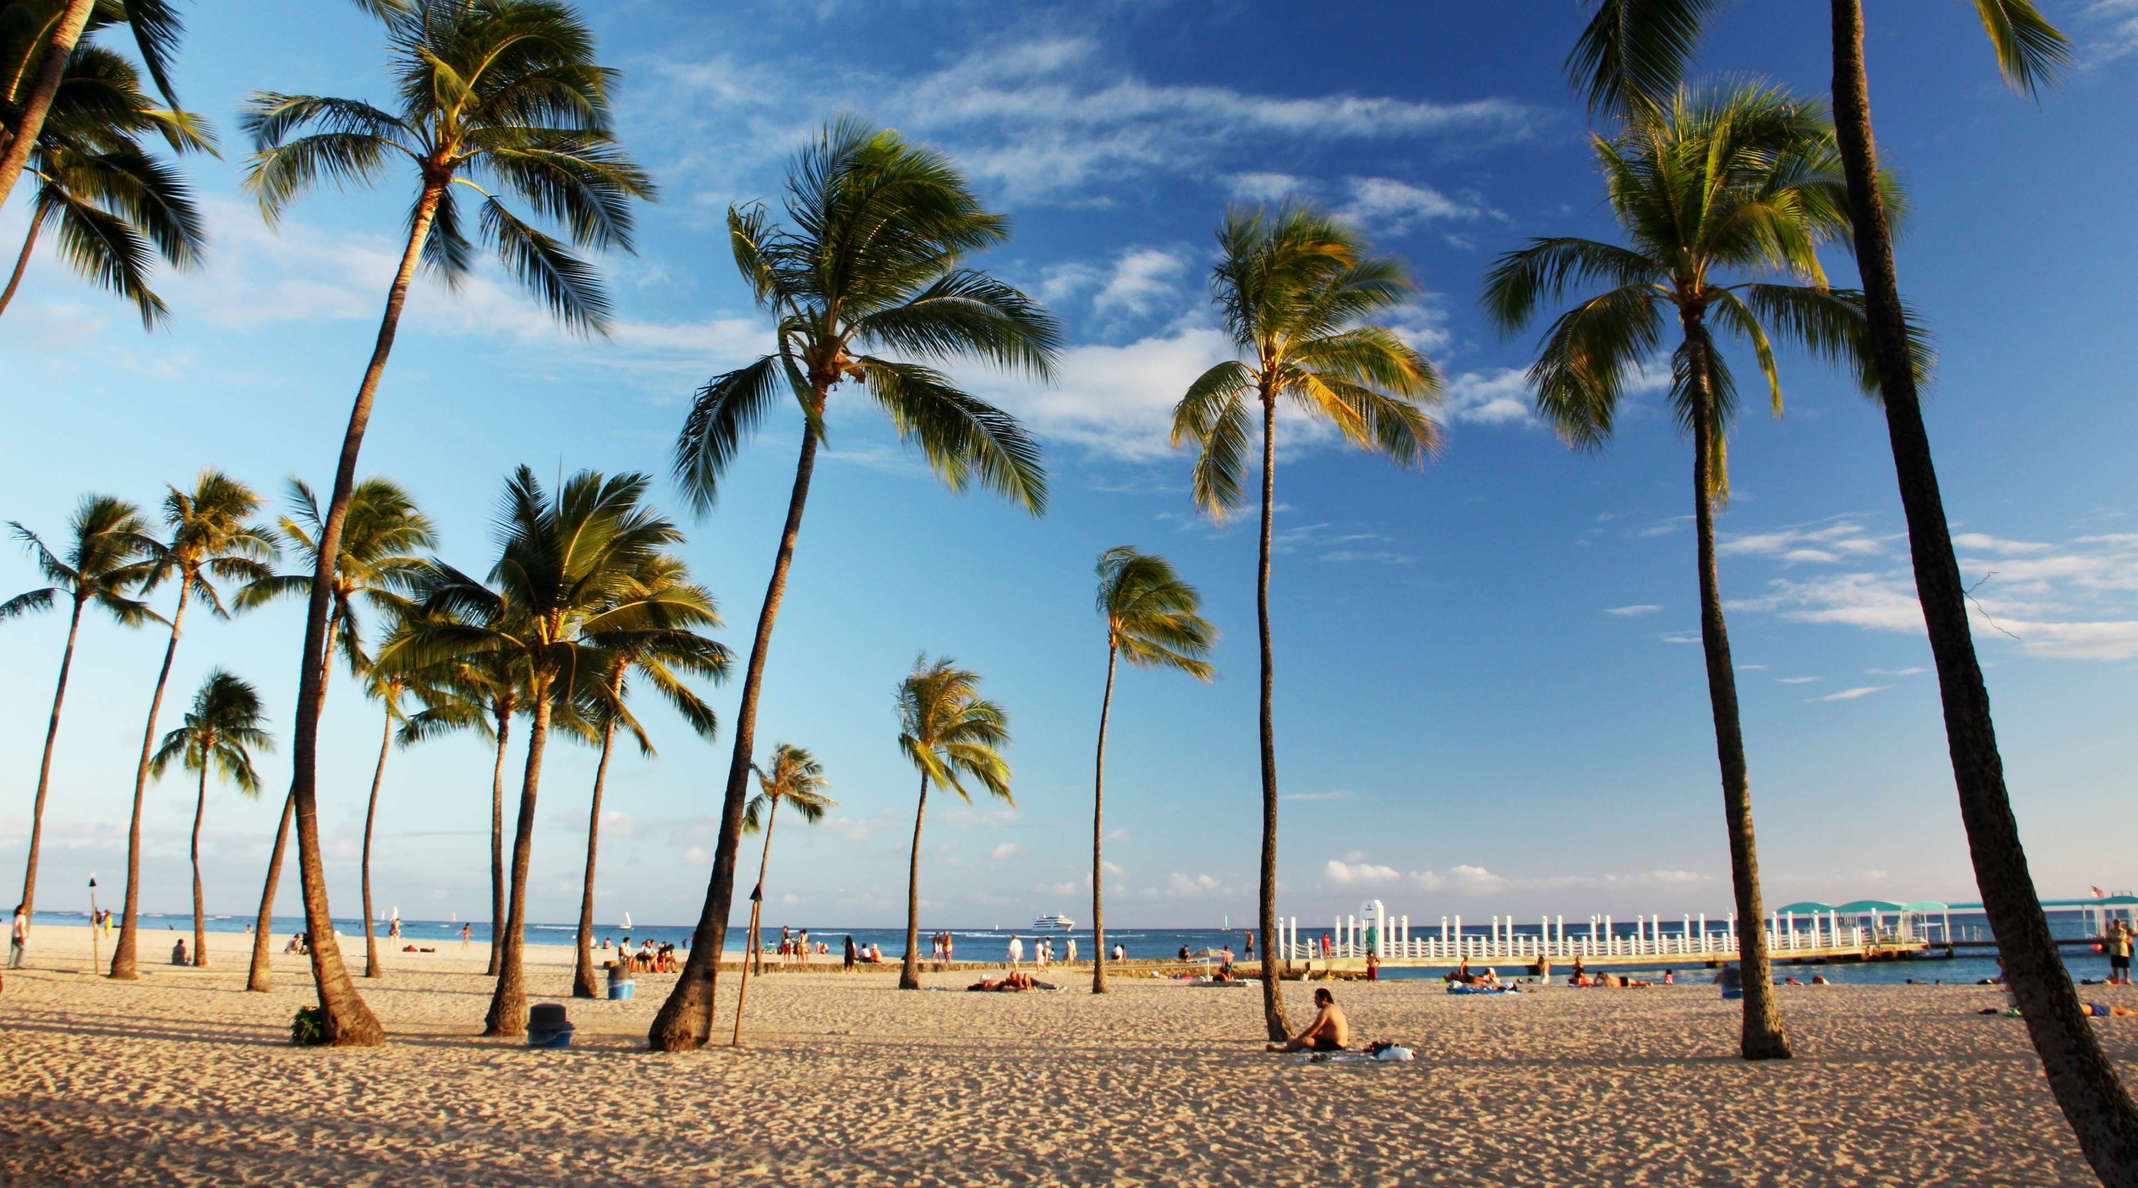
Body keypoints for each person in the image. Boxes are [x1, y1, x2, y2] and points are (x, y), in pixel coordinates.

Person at [1267, 988, 1351, 1053]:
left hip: (1336, 1045)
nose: (1315, 1001)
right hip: (1333, 1042)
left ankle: (1281, 1050)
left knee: (1305, 1041)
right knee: (1293, 1040)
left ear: (1324, 999)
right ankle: (1292, 1044)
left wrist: (1299, 1039)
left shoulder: (1326, 1011)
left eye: (1316, 998)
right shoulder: (1334, 1008)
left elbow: (1313, 1029)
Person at [2107, 921, 2132, 986]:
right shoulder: (2111, 931)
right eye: (2115, 923)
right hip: (2114, 951)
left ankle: (2126, 979)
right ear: (2114, 924)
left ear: (2120, 924)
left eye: (2118, 923)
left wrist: (2122, 940)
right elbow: (2107, 939)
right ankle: (2116, 979)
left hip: (2123, 951)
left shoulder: (2124, 931)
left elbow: (2129, 940)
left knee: (2126, 966)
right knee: (2115, 966)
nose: (2117, 924)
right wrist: (2113, 940)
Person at [8, 903, 26, 970]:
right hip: (18, 935)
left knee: (14, 950)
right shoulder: (21, 917)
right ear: (20, 910)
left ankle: (11, 965)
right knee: (22, 950)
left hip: (14, 935)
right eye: (23, 909)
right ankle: (18, 964)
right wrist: (22, 936)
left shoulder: (15, 917)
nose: (25, 910)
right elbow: (20, 927)